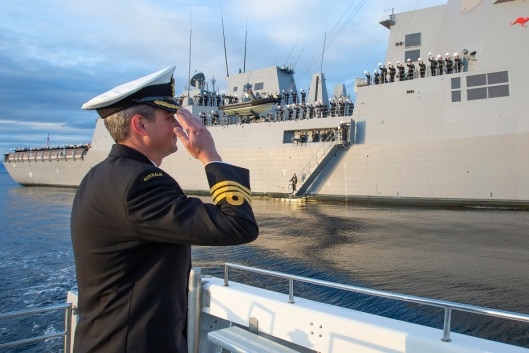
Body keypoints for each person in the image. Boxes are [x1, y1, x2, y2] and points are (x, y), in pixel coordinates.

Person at [70, 66, 259, 353]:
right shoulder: (140, 184)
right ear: (140, 125)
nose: (178, 127)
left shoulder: (98, 176)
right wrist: (210, 156)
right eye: (170, 117)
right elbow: (238, 224)